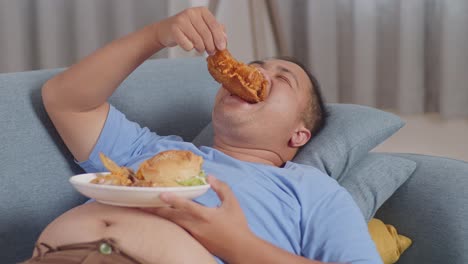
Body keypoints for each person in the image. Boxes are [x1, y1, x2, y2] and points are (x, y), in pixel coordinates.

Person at [29, 6, 382, 264]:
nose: (257, 73)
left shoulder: (312, 191)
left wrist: (235, 243)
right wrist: (157, 35)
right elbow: (65, 101)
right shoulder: (159, 154)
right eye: (256, 66)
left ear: (298, 135)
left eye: (283, 77)